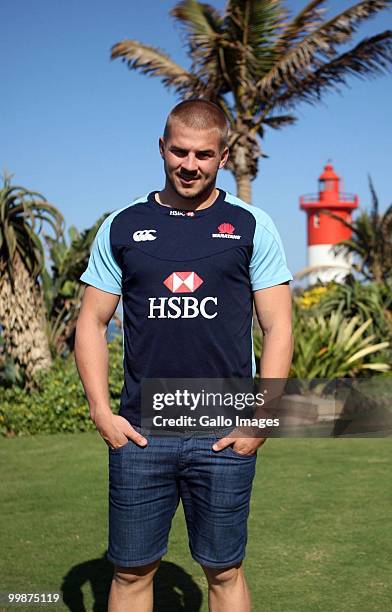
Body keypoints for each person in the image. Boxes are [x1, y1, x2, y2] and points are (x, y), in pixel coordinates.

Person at [75, 99, 294, 612]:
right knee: (130, 572)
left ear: (223, 155)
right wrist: (101, 411)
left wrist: (263, 419)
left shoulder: (250, 225)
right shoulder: (123, 225)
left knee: (225, 572)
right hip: (140, 432)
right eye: (178, 151)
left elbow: (279, 325)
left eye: (203, 154)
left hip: (223, 432)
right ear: (161, 147)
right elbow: (91, 320)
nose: (189, 165)